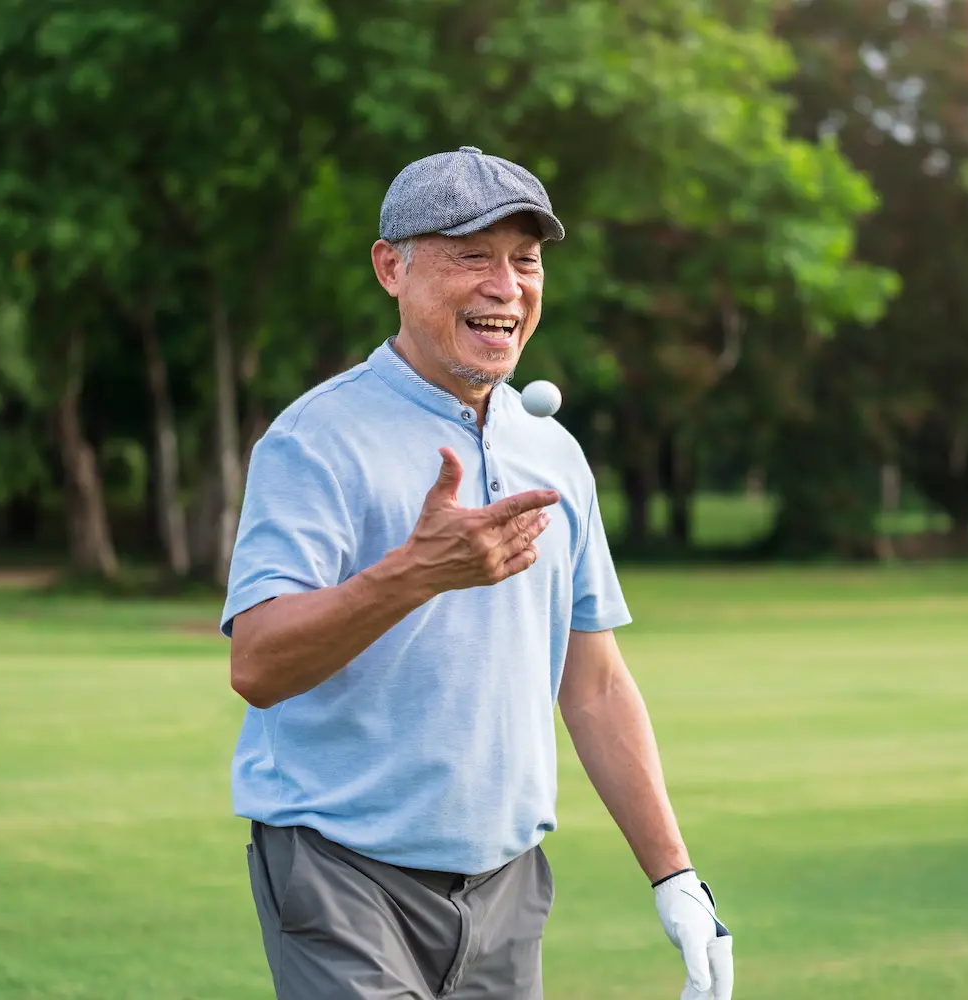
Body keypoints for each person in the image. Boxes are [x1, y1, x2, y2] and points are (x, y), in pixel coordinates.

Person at [222, 145, 733, 1000]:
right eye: (471, 257)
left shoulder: (554, 455)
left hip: (507, 889)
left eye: (525, 261)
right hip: (341, 872)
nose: (506, 286)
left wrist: (675, 876)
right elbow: (258, 665)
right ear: (392, 268)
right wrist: (416, 573)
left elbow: (596, 685)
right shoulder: (314, 440)